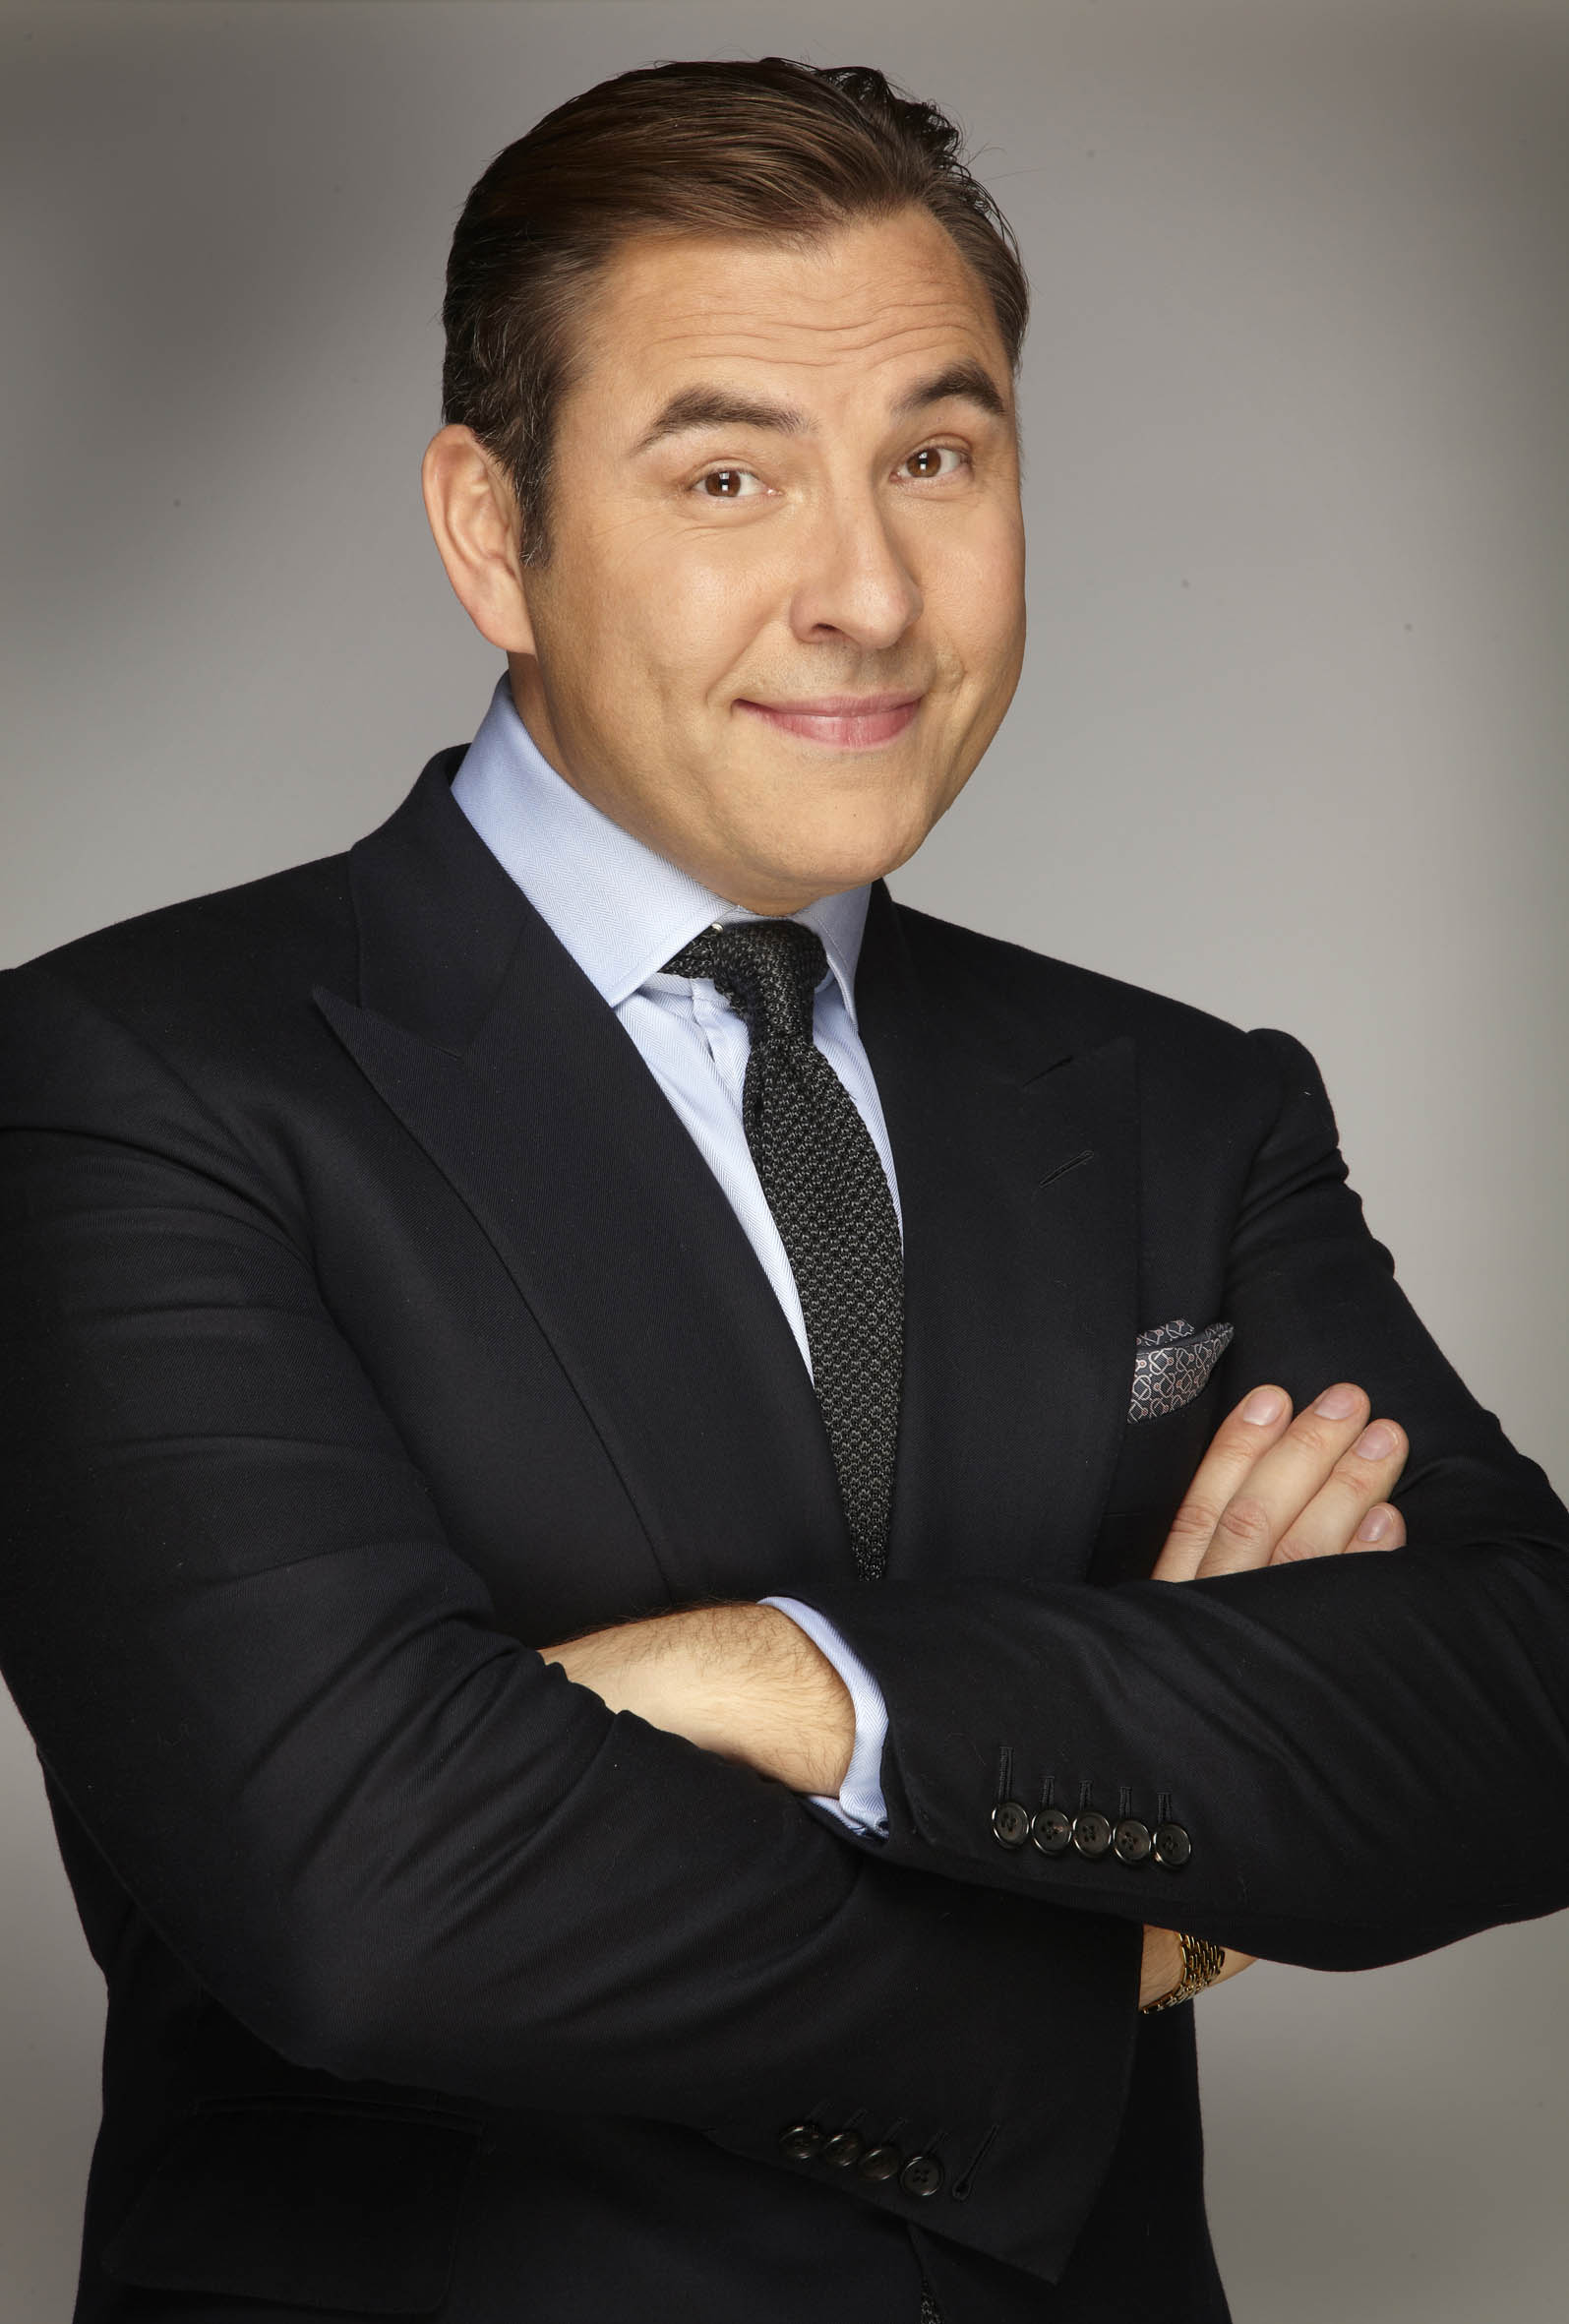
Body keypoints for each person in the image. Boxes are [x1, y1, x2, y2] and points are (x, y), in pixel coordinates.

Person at [1, 55, 1565, 2324]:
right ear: (491, 531)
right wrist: (1126, 1900)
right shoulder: (128, 1085)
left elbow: (1522, 1707)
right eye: (728, 473)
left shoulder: (1180, 1101)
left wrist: (803, 1683)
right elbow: (371, 1895)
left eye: (937, 458)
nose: (868, 592)